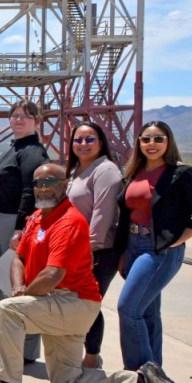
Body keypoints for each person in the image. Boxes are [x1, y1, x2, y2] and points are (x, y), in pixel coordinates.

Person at [0, 163, 186, 383]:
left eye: (50, 182)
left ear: (65, 186)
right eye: (38, 183)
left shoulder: (69, 221)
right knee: (67, 382)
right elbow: (18, 257)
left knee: (8, 310)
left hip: (74, 303)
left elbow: (53, 275)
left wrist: (23, 297)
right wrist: (19, 288)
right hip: (54, 302)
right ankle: (142, 380)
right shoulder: (37, 218)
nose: (43, 188)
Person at [114, 121, 192, 371]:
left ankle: (141, 373)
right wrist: (124, 251)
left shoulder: (181, 173)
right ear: (139, 143)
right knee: (146, 312)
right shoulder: (134, 172)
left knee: (128, 308)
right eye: (146, 139)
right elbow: (127, 214)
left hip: (158, 249)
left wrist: (176, 242)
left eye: (158, 139)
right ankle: (153, 368)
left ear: (169, 142)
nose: (152, 144)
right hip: (134, 246)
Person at [0, 99, 49, 361]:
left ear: (36, 122)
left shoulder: (33, 152)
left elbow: (31, 192)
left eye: (26, 117)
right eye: (15, 115)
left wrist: (21, 229)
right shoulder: (13, 148)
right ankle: (3, 343)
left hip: (13, 224)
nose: (19, 120)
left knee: (17, 288)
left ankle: (26, 350)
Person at [65, 120, 123, 368]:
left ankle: (91, 358)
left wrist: (90, 250)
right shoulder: (76, 170)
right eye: (78, 139)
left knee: (89, 304)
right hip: (74, 250)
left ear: (101, 143)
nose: (83, 144)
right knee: (75, 302)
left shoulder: (105, 170)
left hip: (96, 251)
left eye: (90, 139)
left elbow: (103, 213)